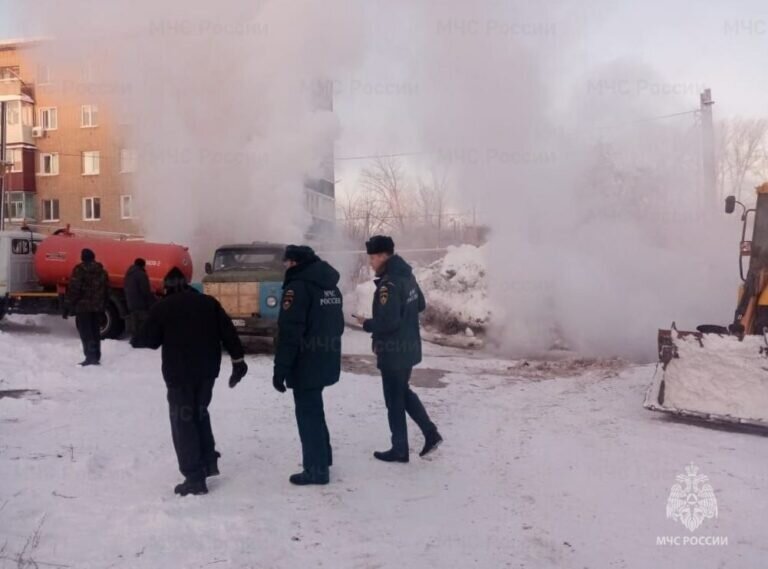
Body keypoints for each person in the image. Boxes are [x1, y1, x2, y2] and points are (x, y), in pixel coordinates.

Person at [131, 267, 248, 496]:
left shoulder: (163, 307)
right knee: (199, 414)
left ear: (167, 287)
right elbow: (229, 332)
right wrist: (238, 361)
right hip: (206, 374)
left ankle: (194, 478)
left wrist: (139, 330)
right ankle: (207, 463)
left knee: (183, 423)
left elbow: (148, 340)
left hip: (180, 376)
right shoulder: (208, 303)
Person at [355, 236, 442, 463]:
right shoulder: (407, 276)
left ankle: (400, 449)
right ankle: (430, 433)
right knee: (402, 392)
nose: (371, 262)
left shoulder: (389, 284)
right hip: (408, 347)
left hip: (394, 351)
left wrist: (366, 323)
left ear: (384, 256)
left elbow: (388, 322)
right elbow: (420, 304)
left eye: (373, 257)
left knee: (394, 400)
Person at [273, 245, 344, 485]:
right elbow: (339, 326)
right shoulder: (331, 286)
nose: (285, 266)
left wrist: (280, 369)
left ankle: (316, 470)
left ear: (294, 263)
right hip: (326, 358)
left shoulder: (298, 287)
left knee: (308, 414)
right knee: (315, 409)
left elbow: (289, 333)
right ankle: (323, 459)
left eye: (286, 262)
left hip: (305, 363)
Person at [64, 248, 109, 366]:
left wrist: (68, 304)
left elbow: (74, 289)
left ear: (83, 258)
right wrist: (103, 305)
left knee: (86, 333)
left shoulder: (80, 270)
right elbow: (107, 290)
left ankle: (90, 357)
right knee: (95, 332)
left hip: (83, 307)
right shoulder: (102, 271)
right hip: (98, 307)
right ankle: (96, 356)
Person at [124, 258, 155, 340]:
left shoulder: (128, 273)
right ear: (142, 265)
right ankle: (142, 340)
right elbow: (145, 290)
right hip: (140, 303)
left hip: (130, 302)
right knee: (143, 323)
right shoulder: (141, 274)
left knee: (135, 323)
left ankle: (134, 340)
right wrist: (151, 301)